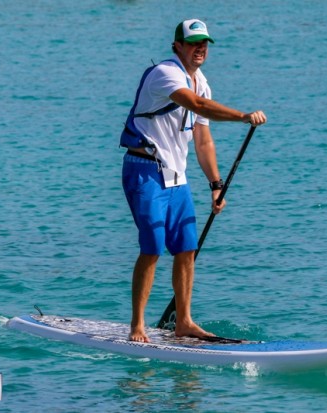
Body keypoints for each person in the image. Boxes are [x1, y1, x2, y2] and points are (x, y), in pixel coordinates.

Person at [120, 18, 266, 343]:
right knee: (152, 248)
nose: (200, 48)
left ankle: (184, 321)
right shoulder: (165, 74)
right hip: (144, 170)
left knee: (187, 248)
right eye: (193, 43)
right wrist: (242, 116)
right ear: (178, 46)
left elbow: (203, 141)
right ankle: (137, 326)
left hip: (177, 176)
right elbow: (197, 105)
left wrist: (216, 185)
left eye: (204, 43)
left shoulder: (202, 83)